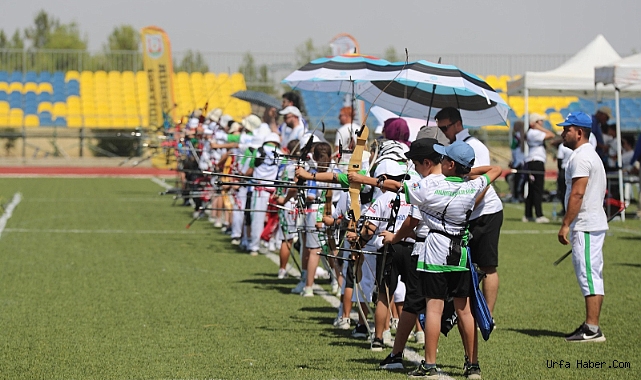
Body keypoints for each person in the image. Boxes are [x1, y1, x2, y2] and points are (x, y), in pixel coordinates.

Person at [404, 140, 502, 378]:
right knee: (465, 311)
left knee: (434, 308)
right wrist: (468, 172)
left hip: (436, 251)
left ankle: (429, 363)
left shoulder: (429, 187)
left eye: (444, 159)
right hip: (460, 253)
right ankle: (473, 365)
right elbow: (496, 170)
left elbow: (399, 186)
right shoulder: (474, 186)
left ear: (449, 164)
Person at [434, 107, 503, 317]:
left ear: (457, 124)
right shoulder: (454, 146)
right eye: (440, 128)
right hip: (469, 213)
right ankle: (467, 312)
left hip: (485, 212)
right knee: (466, 264)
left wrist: (468, 207)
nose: (444, 131)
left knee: (487, 265)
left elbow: (482, 183)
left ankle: (487, 316)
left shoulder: (474, 146)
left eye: (445, 127)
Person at [557, 112, 608, 343]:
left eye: (567, 129)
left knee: (589, 275)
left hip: (586, 224)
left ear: (579, 132)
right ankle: (591, 325)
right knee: (590, 274)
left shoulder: (581, 157)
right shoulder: (589, 155)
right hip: (590, 222)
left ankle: (592, 328)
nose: (562, 133)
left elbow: (578, 193)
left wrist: (565, 224)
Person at [523, 113, 555, 223]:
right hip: (535, 162)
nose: (541, 123)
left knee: (533, 190)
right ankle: (539, 215)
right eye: (539, 121)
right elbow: (551, 134)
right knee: (537, 189)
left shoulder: (533, 133)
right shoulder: (534, 132)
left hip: (534, 161)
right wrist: (539, 128)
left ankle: (528, 214)